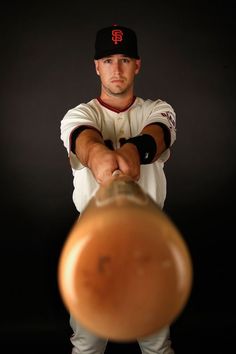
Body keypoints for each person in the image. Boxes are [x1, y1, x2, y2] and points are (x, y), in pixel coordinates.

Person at [60, 24, 176, 354]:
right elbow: (85, 141)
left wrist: (131, 152)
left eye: (125, 59)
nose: (117, 68)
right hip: (94, 237)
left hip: (147, 235)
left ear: (137, 64)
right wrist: (99, 156)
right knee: (88, 343)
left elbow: (158, 133)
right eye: (108, 60)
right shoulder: (78, 114)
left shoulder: (158, 109)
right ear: (96, 66)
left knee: (156, 342)